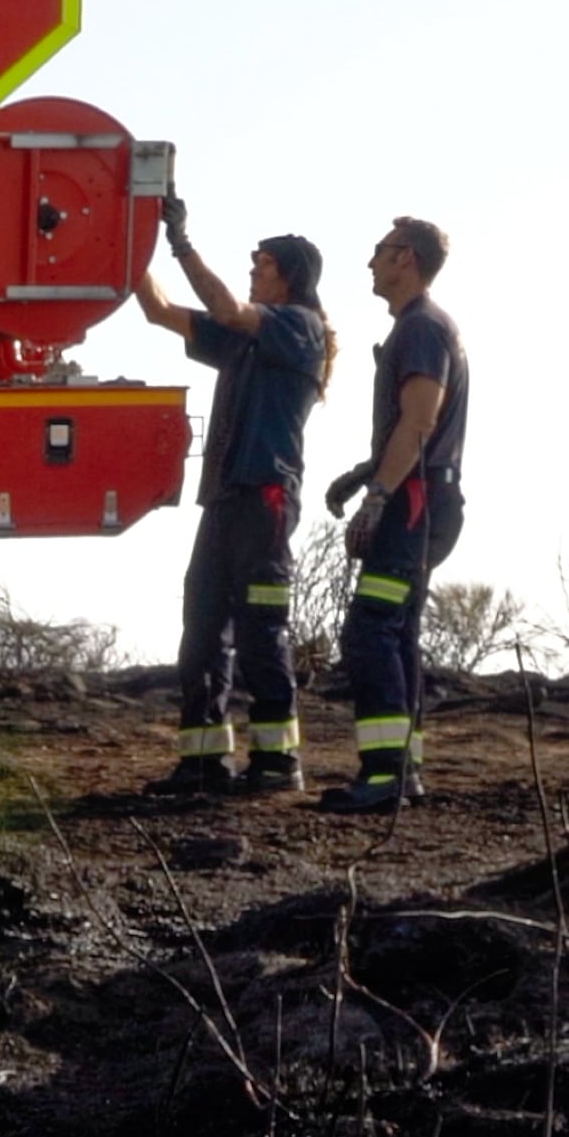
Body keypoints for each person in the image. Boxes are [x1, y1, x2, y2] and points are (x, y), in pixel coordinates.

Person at [129, 205, 332, 794]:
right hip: (224, 499)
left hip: (264, 498)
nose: (252, 273)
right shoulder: (246, 340)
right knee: (202, 629)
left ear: (288, 276)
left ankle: (276, 765)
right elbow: (159, 311)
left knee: (261, 629)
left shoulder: (297, 327)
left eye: (262, 265)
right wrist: (130, 240)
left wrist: (180, 242)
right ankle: (203, 763)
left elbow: (224, 308)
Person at [318, 217, 469, 811]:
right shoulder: (419, 328)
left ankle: (385, 776)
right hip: (422, 497)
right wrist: (364, 475)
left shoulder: (423, 330)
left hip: (414, 504)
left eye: (380, 251)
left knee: (370, 631)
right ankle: (402, 771)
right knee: (397, 631)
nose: (370, 262)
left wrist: (377, 498)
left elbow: (421, 421)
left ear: (405, 258)